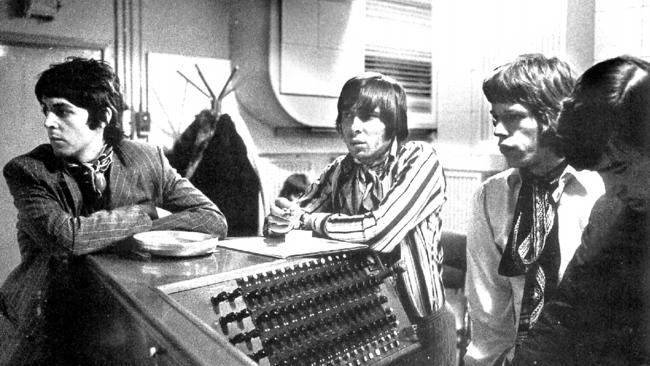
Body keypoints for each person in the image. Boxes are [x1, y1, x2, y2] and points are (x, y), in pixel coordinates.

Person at [0, 57, 228, 365]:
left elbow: (212, 219)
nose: (48, 122)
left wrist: (144, 231)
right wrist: (146, 213)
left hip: (120, 321)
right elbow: (65, 237)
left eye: (62, 110)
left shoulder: (147, 160)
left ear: (103, 115)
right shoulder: (28, 171)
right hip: (46, 321)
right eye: (46, 109)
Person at [264, 72, 455, 364]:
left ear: (392, 122)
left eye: (367, 117)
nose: (354, 128)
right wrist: (279, 220)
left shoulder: (420, 158)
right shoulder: (339, 170)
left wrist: (309, 220)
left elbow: (379, 231)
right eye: (347, 116)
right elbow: (294, 214)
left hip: (424, 325)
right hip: (367, 326)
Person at [464, 54, 605, 366]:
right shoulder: (491, 197)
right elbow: (489, 317)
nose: (498, 131)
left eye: (512, 117)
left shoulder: (601, 192)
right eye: (495, 118)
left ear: (553, 115)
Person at [512, 55, 650, 365]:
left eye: (622, 167)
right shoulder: (611, 212)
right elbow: (564, 312)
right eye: (604, 173)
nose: (616, 188)